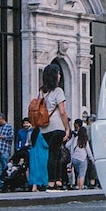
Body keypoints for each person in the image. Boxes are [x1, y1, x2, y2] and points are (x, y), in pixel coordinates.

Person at [39, 62, 70, 190]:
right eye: (58, 73)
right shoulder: (58, 91)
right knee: (55, 155)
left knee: (54, 154)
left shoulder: (42, 91)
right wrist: (67, 128)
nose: (60, 75)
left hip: (44, 128)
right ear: (55, 76)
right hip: (57, 126)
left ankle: (57, 181)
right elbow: (62, 112)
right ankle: (53, 182)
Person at [0, 114, 14, 190]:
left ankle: (7, 183)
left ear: (2, 119)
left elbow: (11, 137)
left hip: (4, 150)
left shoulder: (9, 127)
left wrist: (0, 136)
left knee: (5, 167)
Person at [69, 121, 94, 190]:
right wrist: (92, 159)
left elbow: (67, 145)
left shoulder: (74, 139)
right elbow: (88, 151)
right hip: (82, 159)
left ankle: (77, 185)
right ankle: (80, 188)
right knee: (82, 174)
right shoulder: (85, 141)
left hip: (74, 159)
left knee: (78, 173)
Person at [27, 121, 48, 191]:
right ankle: (41, 184)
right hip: (42, 154)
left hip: (33, 154)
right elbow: (45, 144)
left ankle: (34, 185)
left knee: (34, 169)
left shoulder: (32, 133)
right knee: (42, 169)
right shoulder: (41, 134)